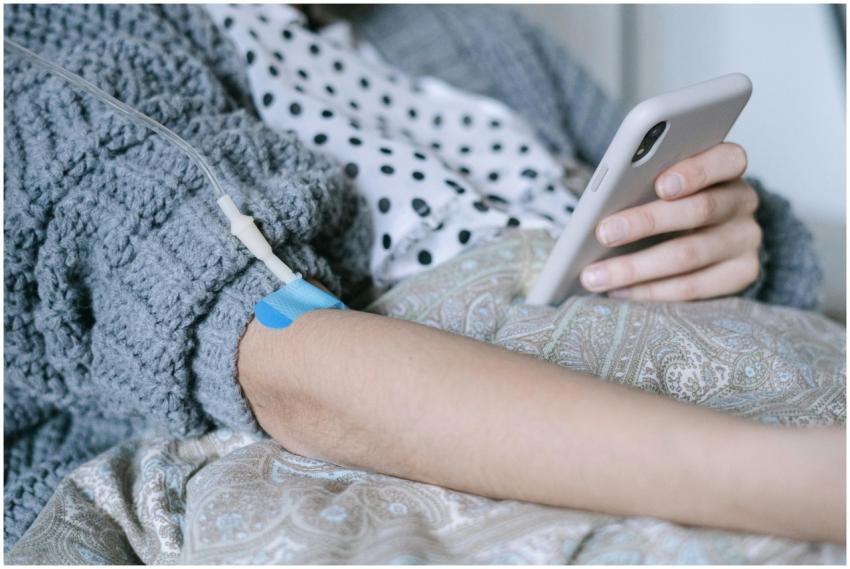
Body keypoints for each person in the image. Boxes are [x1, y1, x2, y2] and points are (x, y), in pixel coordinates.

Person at [3, 3, 840, 550]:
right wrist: (792, 481)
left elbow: (645, 193)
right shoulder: (61, 50)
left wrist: (726, 232)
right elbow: (293, 369)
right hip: (407, 428)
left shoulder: (471, 31)